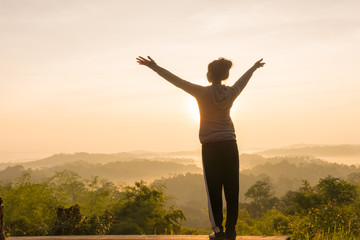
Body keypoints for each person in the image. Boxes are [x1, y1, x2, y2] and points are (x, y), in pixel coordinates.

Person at [136, 56, 265, 240]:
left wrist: (154, 67)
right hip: (230, 145)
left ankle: (219, 231)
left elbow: (177, 81)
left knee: (214, 189)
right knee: (232, 187)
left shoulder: (201, 93)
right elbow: (242, 81)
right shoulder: (231, 93)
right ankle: (231, 230)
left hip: (211, 147)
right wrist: (253, 68)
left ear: (211, 75)